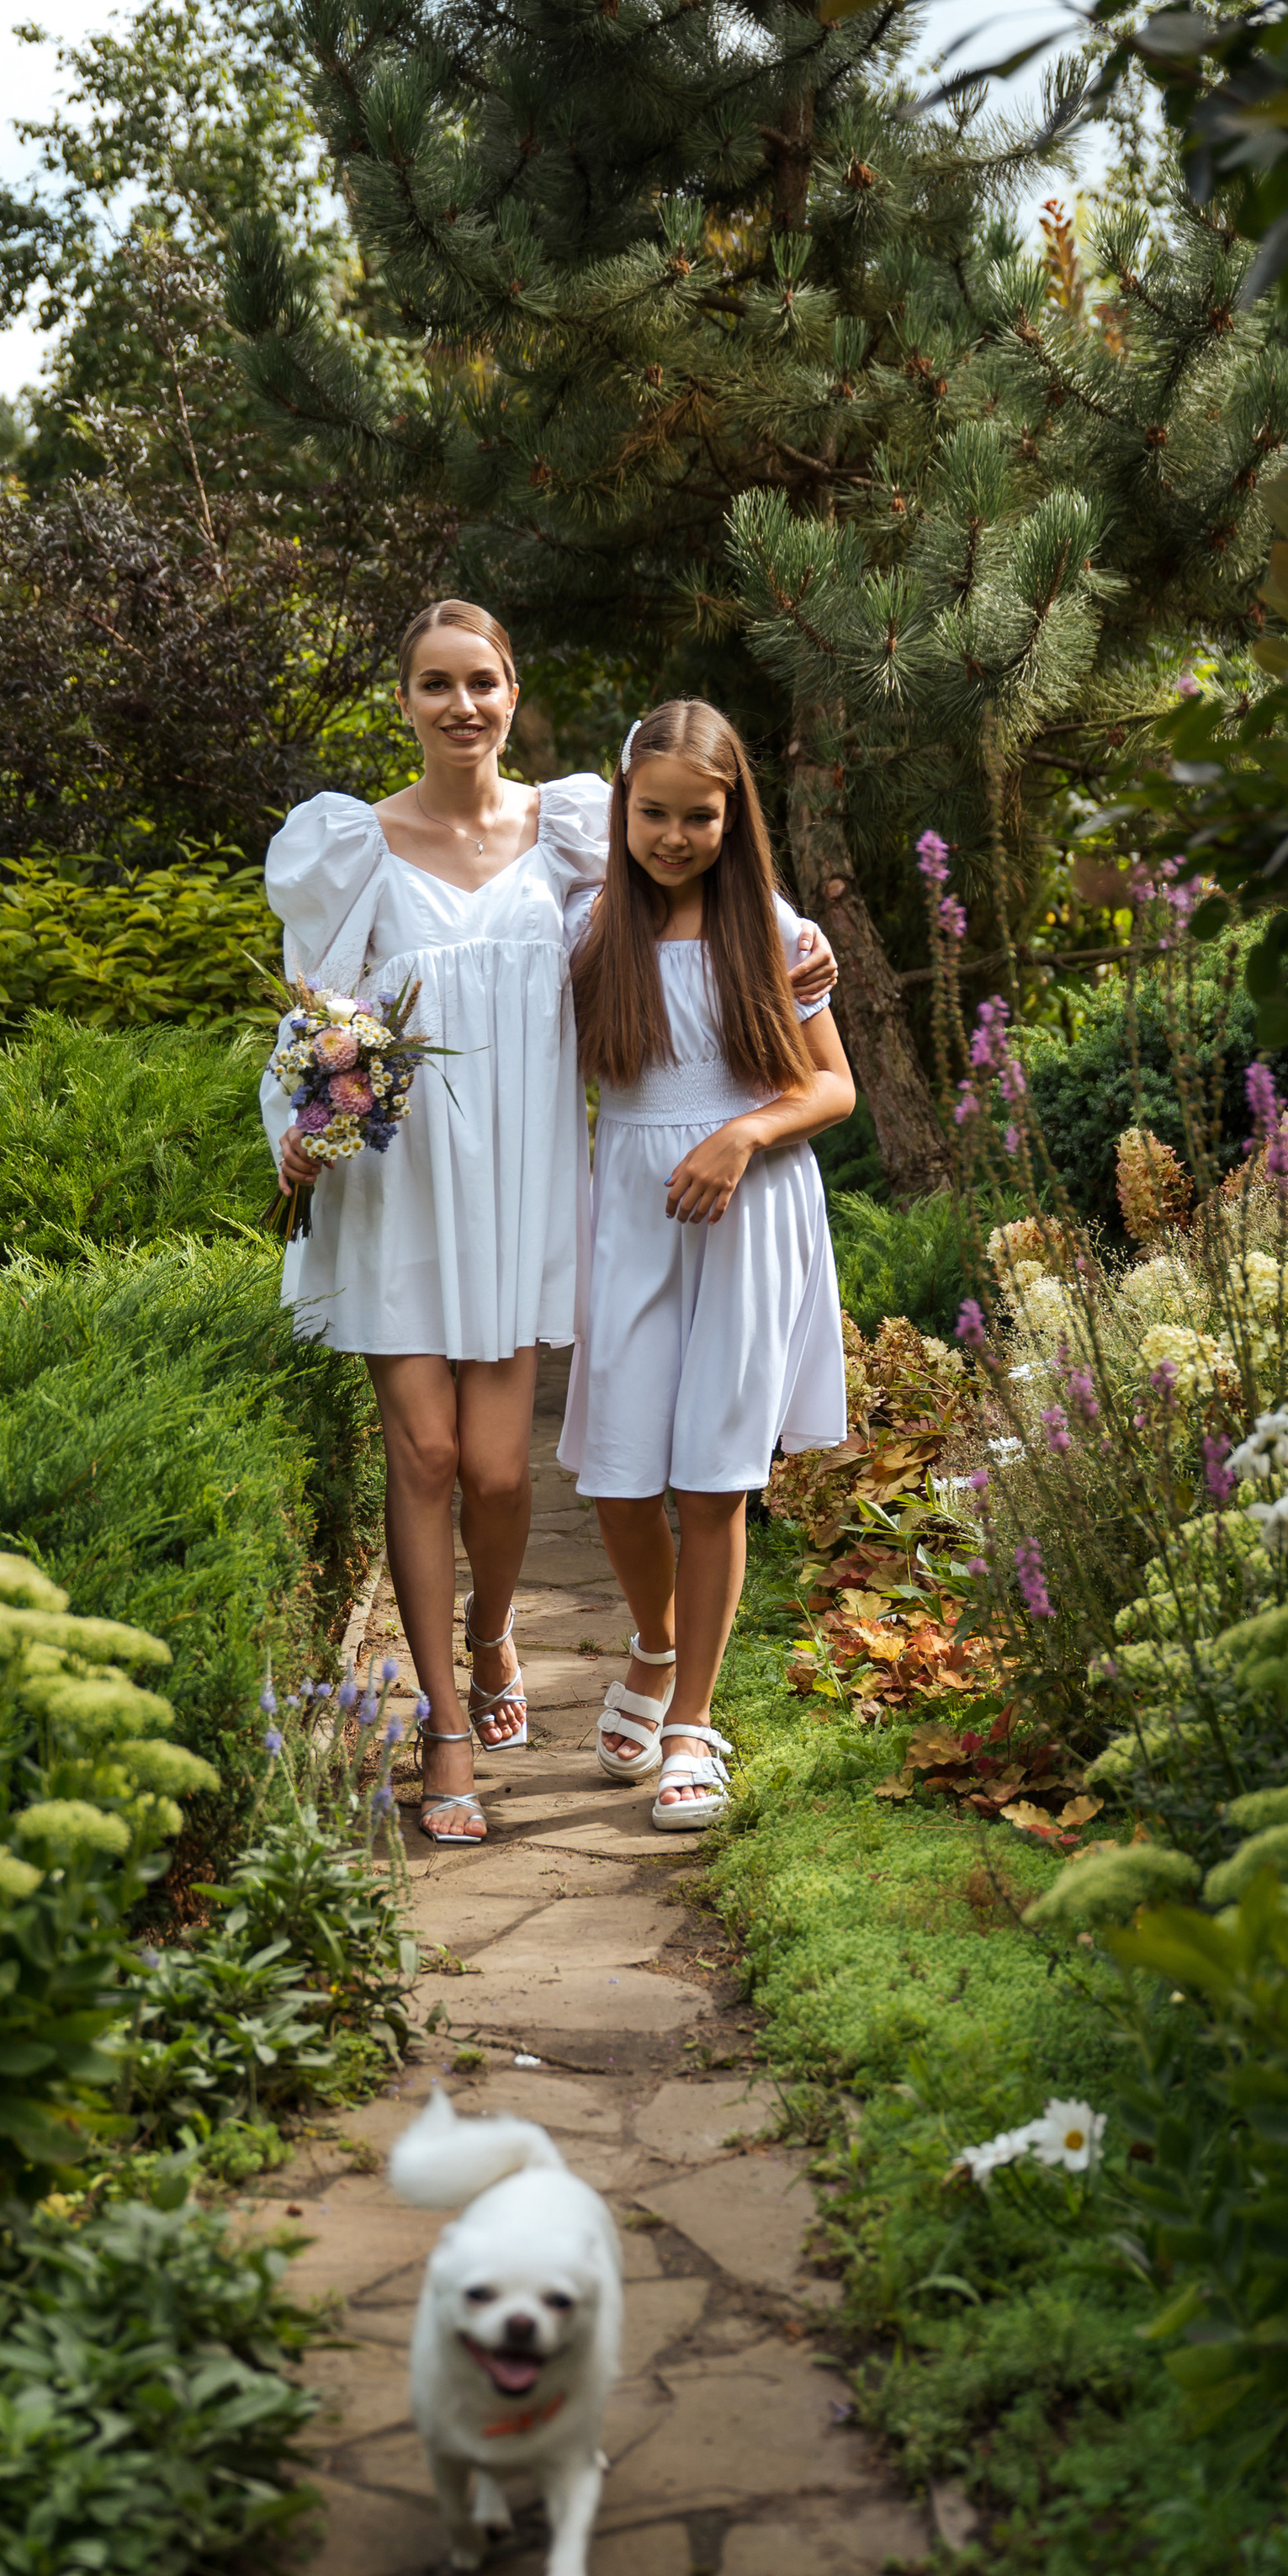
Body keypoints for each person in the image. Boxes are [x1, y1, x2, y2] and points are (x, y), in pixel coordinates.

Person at [260, 605, 835, 1847]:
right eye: (434, 685)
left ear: (516, 691)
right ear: (402, 700)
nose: (460, 706)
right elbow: (321, 1011)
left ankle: (493, 1631)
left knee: (503, 1471)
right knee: (422, 1461)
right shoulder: (353, 848)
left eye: (482, 682)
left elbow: (683, 883)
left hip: (520, 1189)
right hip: (399, 1186)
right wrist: (302, 1127)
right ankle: (447, 1734)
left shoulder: (572, 832)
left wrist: (797, 946)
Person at [558, 698, 855, 1829]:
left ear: (736, 817)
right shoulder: (586, 925)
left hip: (752, 1211)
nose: (675, 836)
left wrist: (743, 1133)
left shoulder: (772, 934)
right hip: (631, 1215)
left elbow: (832, 1084)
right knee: (621, 1480)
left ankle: (692, 1724)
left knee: (710, 1481)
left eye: (701, 816)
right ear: (622, 805)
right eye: (653, 813)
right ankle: (653, 1642)